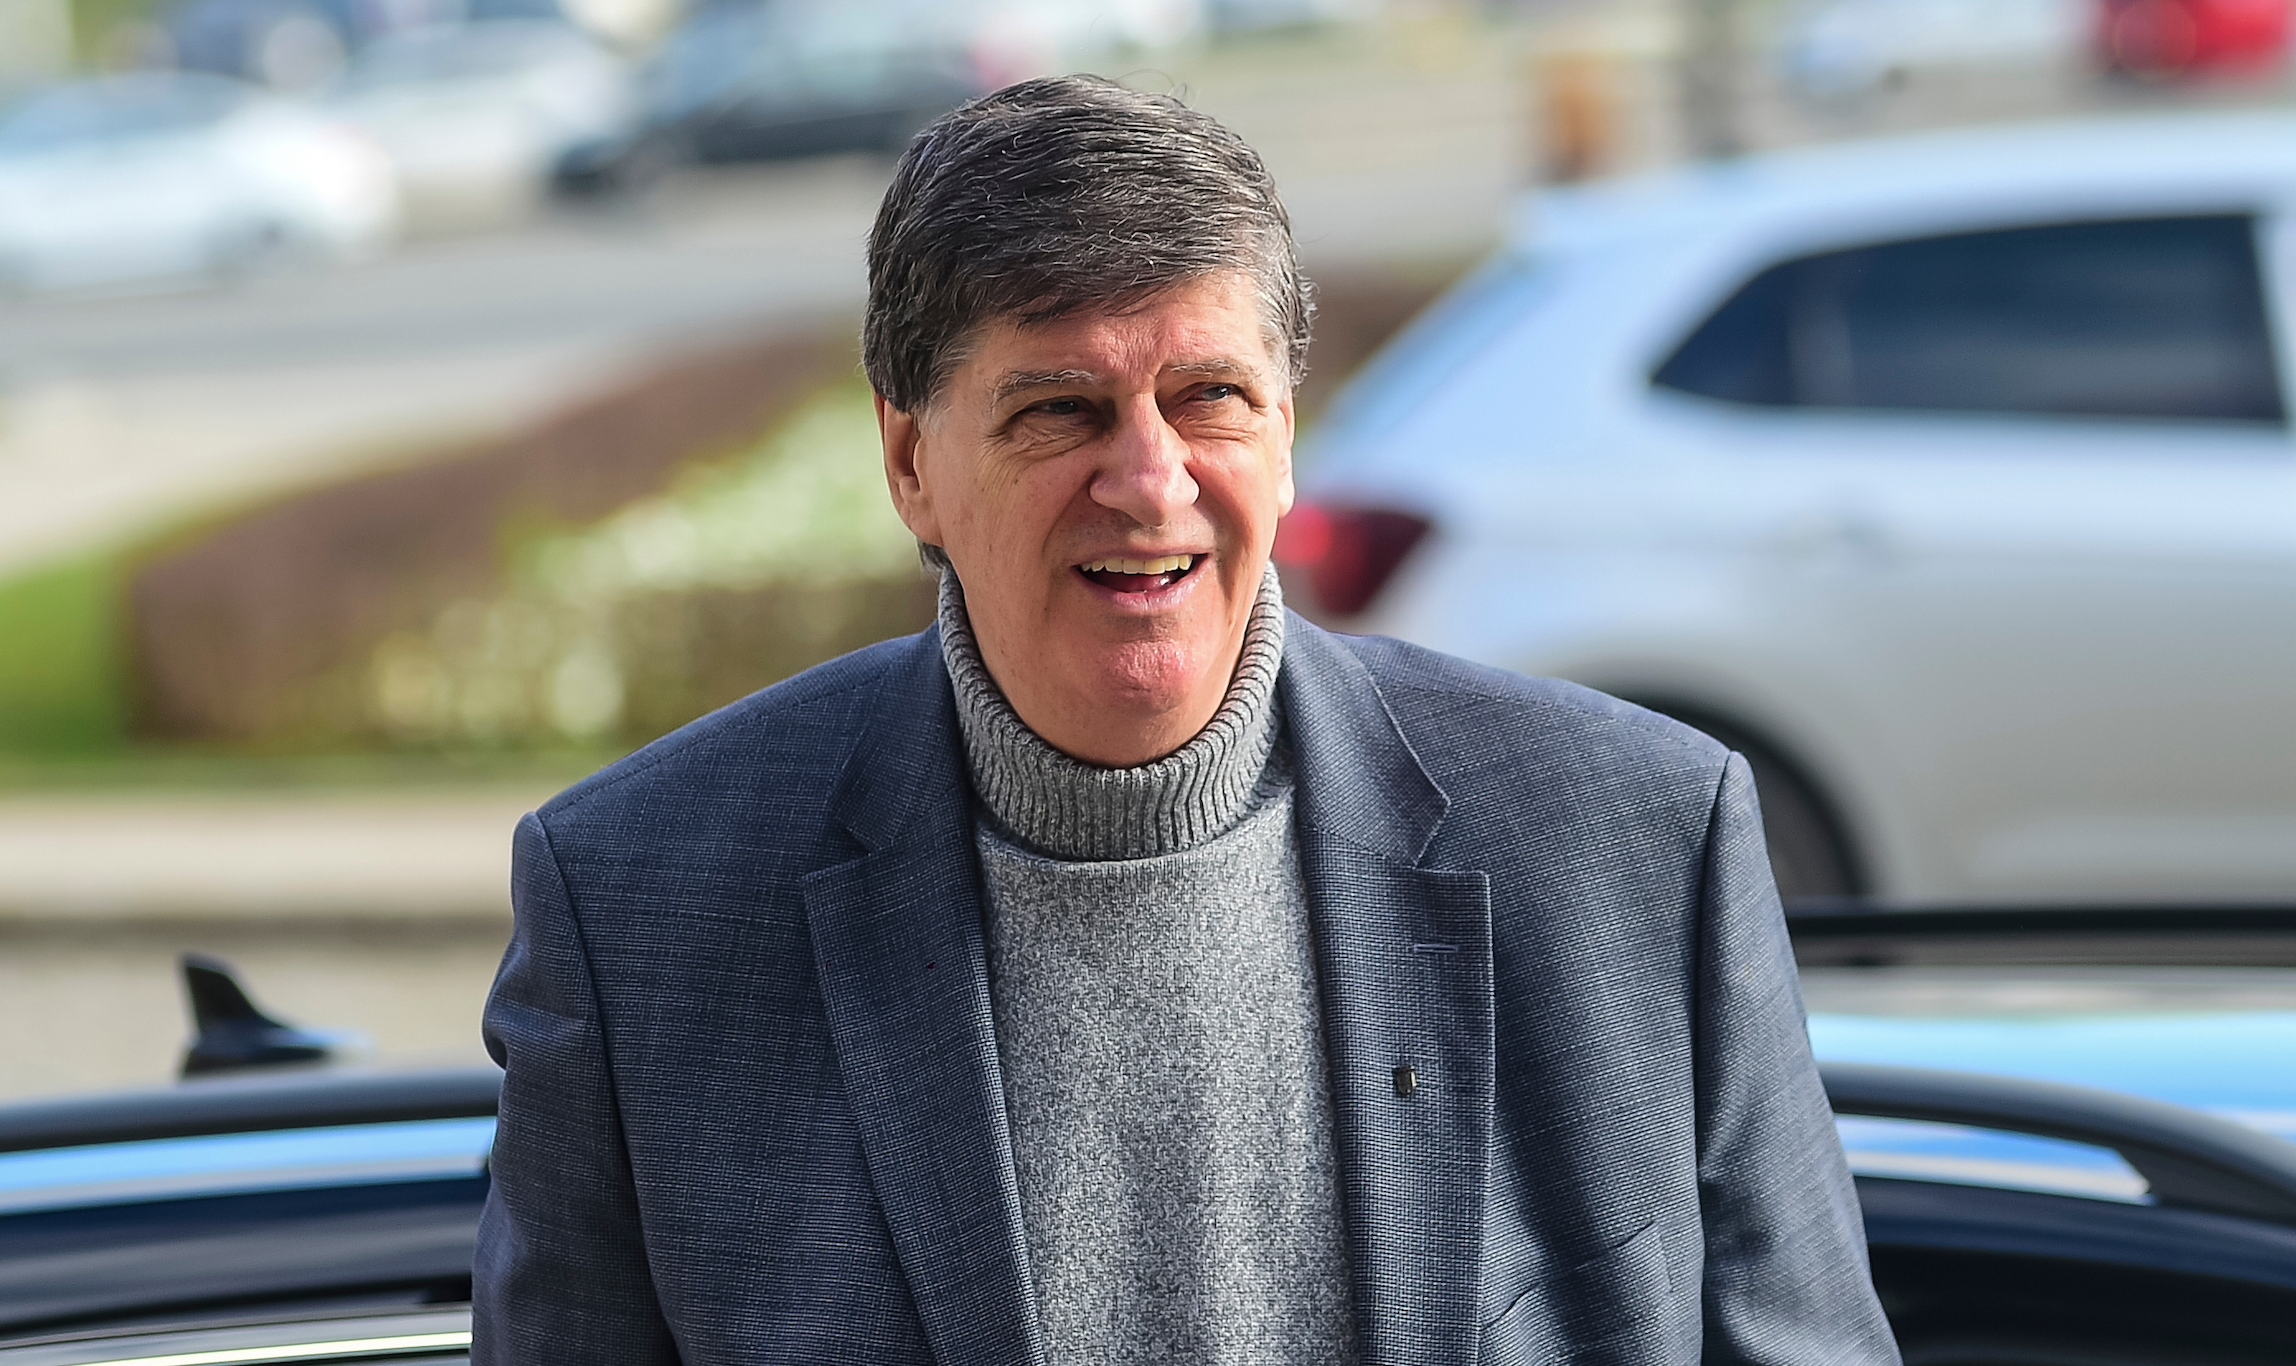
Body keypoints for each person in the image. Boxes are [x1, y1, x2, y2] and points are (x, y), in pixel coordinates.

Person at [473, 74, 1899, 1366]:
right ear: (911, 462)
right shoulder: (641, 908)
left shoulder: (1637, 840)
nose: (1149, 481)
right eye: (1060, 410)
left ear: (1284, 434)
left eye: (1207, 396)